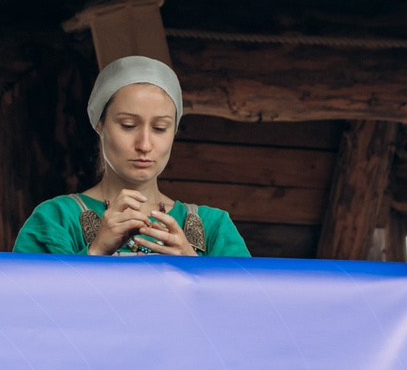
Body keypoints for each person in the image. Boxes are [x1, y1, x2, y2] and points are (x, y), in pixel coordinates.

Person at [13, 56, 250, 256]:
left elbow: (249, 305)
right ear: (100, 125)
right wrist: (95, 252)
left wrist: (195, 268)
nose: (144, 144)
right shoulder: (55, 220)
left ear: (174, 132)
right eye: (128, 125)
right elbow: (28, 303)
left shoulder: (214, 227)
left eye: (160, 128)